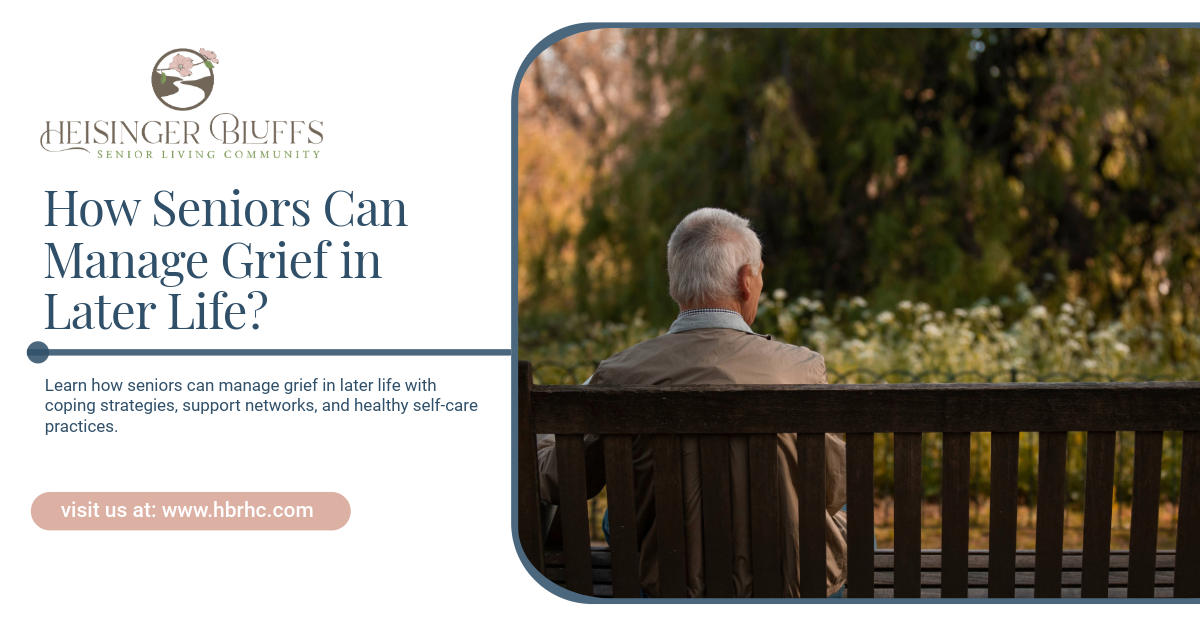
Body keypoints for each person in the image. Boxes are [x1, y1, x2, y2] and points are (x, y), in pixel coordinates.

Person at [536, 207, 849, 598]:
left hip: (668, 579)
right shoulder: (801, 368)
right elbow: (832, 490)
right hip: (793, 582)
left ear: (675, 284)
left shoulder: (621, 375)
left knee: (616, 515)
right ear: (746, 281)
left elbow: (562, 478)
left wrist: (546, 432)